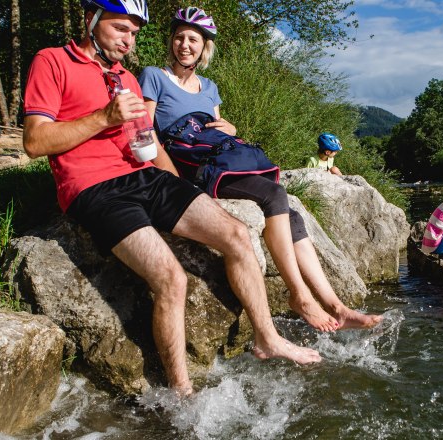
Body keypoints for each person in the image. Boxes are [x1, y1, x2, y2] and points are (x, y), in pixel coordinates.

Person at [22, 0, 321, 398]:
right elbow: (34, 142)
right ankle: (182, 393)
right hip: (93, 187)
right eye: (120, 29)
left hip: (146, 177)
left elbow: (148, 144)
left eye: (134, 34)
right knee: (171, 278)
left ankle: (267, 337)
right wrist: (104, 118)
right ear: (92, 20)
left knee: (235, 234)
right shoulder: (53, 60)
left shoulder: (126, 79)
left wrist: (183, 191)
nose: (129, 41)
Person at [138, 7, 382, 332]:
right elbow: (145, 131)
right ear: (171, 41)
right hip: (190, 169)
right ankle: (300, 297)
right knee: (275, 194)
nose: (185, 45)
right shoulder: (153, 76)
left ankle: (336, 306)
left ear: (204, 47)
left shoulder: (209, 87)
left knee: (291, 215)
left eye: (193, 40)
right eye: (179, 37)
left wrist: (232, 127)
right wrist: (170, 177)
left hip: (217, 162)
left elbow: (218, 136)